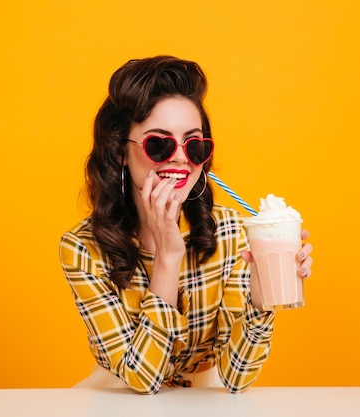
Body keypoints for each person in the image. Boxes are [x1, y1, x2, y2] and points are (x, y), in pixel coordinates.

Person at [59, 56, 313, 394]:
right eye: (159, 143)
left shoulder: (234, 232)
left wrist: (261, 293)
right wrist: (167, 258)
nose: (180, 157)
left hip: (204, 401)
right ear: (120, 150)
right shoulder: (82, 248)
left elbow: (237, 378)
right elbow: (144, 381)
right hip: (117, 401)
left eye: (193, 145)